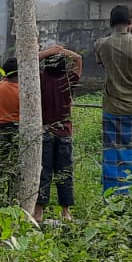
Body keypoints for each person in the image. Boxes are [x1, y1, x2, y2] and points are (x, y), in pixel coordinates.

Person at [95, 5, 132, 193]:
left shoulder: (101, 44)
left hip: (111, 108)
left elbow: (105, 67)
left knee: (111, 154)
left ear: (111, 22)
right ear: (131, 21)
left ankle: (112, 197)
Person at [37, 45, 81, 222]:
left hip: (44, 131)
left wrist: (49, 51)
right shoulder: (68, 80)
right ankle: (65, 212)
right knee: (64, 173)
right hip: (64, 133)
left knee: (44, 172)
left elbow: (28, 61)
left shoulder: (39, 79)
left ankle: (38, 211)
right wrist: (62, 51)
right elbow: (78, 59)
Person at [0, 57, 21, 200]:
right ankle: (13, 194)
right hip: (17, 128)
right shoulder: (21, 90)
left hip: (2, 128)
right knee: (16, 162)